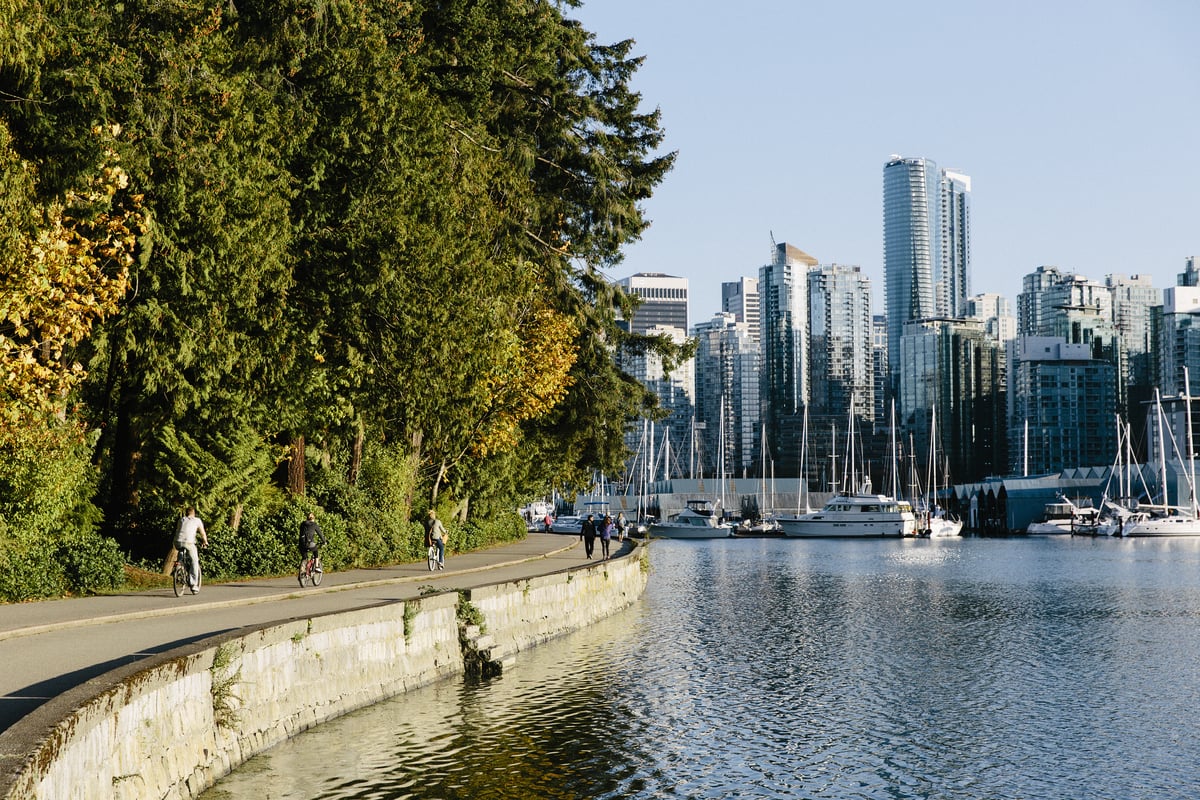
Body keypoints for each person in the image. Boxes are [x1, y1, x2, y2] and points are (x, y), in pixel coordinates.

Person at [174, 507, 208, 594]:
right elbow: (202, 533)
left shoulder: (181, 520)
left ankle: (179, 565)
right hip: (189, 543)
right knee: (194, 561)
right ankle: (194, 585)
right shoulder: (197, 520)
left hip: (177, 542)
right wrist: (205, 541)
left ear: (186, 513)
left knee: (181, 552)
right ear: (194, 513)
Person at [298, 512, 327, 582]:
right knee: (316, 551)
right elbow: (320, 534)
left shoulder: (302, 524)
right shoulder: (314, 525)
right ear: (313, 518)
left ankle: (302, 571)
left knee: (304, 558)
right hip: (310, 544)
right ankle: (316, 567)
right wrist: (324, 541)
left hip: (301, 544)